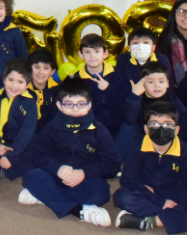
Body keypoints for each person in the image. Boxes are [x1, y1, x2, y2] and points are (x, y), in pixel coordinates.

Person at [19, 79, 120, 226]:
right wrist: (57, 168)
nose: (75, 109)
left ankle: (46, 196)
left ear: (89, 105)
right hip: (56, 176)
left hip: (86, 179)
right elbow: (37, 155)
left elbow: (113, 164)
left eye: (81, 104)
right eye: (68, 104)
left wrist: (84, 173)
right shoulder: (51, 127)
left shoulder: (99, 130)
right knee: (31, 176)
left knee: (101, 192)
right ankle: (78, 210)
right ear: (59, 105)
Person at [113, 101, 187, 234]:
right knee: (122, 196)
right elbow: (128, 181)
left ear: (176, 130)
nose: (161, 129)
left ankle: (152, 222)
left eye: (167, 124)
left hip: (172, 193)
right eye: (154, 124)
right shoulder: (137, 146)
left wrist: (167, 198)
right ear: (146, 129)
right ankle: (183, 218)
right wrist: (161, 202)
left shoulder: (185, 151)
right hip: (146, 192)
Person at [115, 62, 187, 161]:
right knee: (128, 129)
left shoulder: (174, 102)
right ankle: (116, 165)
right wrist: (134, 96)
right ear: (142, 84)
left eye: (161, 81)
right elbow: (129, 120)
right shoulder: (138, 100)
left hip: (167, 143)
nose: (157, 86)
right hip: (143, 143)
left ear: (167, 84)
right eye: (151, 82)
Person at [0, 58, 38, 181]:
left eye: (20, 82)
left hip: (16, 146)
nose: (14, 86)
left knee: (35, 152)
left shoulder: (30, 103)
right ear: (4, 79)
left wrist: (11, 156)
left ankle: (1, 169)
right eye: (10, 80)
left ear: (28, 85)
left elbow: (26, 133)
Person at [70, 33, 131, 139]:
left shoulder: (116, 73)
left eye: (97, 51)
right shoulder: (77, 80)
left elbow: (126, 101)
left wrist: (108, 88)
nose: (92, 56)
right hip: (92, 131)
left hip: (119, 128)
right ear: (80, 55)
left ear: (105, 54)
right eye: (87, 52)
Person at [27, 48, 59, 133]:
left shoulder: (58, 90)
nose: (41, 72)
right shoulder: (22, 90)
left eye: (46, 68)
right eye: (37, 67)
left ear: (52, 72)